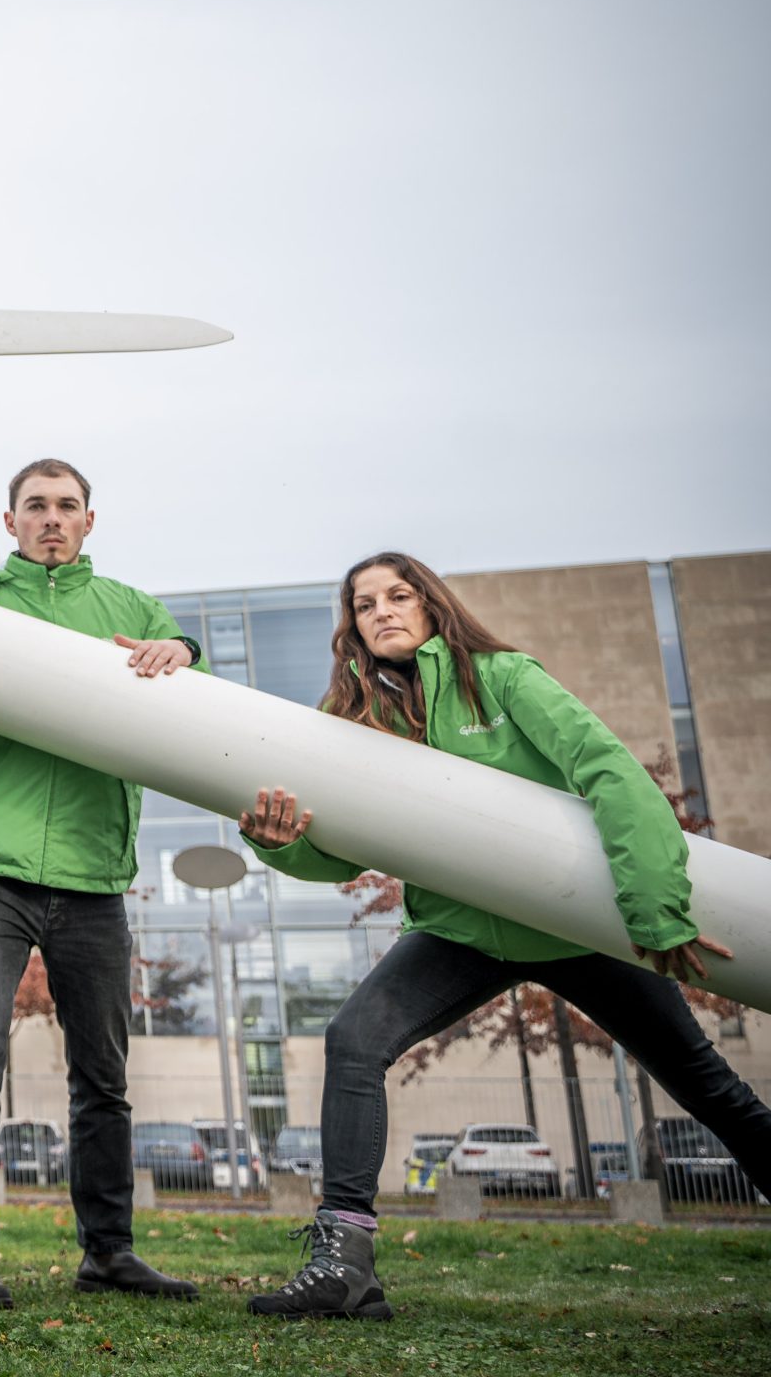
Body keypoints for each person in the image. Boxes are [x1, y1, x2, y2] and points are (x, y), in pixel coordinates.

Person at [243, 552, 771, 1321]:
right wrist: (280, 842)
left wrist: (654, 912)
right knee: (354, 1038)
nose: (383, 610)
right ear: (350, 624)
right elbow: (349, 849)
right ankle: (343, 1265)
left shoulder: (502, 676)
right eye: (364, 604)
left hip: (579, 925)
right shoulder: (355, 714)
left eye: (399, 595)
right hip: (460, 928)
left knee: (708, 1085)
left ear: (431, 605)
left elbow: (610, 772)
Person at [0, 459, 203, 1310]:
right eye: (36, 506)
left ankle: (109, 1251)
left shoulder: (134, 611)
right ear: (11, 519)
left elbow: (193, 713)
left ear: (89, 522)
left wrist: (183, 650)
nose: (52, 519)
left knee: (102, 1073)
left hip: (94, 874)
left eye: (67, 506)